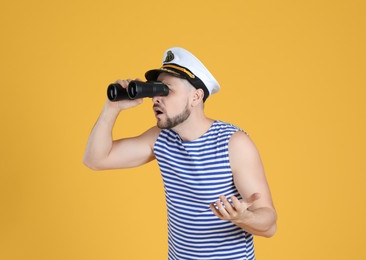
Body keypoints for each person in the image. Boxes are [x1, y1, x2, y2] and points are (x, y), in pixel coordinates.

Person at [83, 47, 277, 260]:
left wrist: (243, 217)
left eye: (165, 90)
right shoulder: (162, 138)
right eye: (155, 91)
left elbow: (269, 224)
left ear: (196, 96)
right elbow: (96, 159)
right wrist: (112, 108)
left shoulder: (233, 143)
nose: (156, 98)